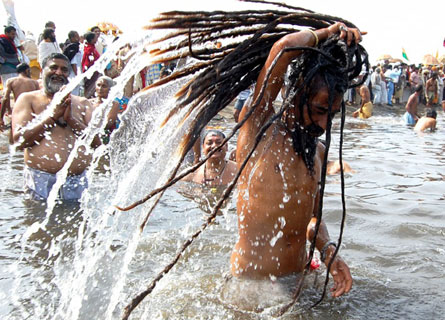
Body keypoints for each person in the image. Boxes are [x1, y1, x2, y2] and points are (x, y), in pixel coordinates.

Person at [232, 22, 364, 298]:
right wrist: (328, 33)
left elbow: (313, 220)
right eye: (318, 109)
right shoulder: (259, 129)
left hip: (298, 282)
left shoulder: (317, 152)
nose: (324, 124)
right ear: (297, 93)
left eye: (332, 114)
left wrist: (329, 253)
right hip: (251, 287)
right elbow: (283, 50)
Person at [11, 53, 94, 201]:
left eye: (64, 70)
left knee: (80, 222)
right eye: (54, 68)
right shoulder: (28, 99)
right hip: (40, 182)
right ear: (42, 71)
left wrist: (70, 119)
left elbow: (96, 142)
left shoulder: (82, 102)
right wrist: (53, 117)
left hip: (77, 183)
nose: (58, 73)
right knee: (37, 221)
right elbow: (19, 141)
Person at [0, 63, 39, 131]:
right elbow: (39, 99)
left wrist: (1, 117)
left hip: (18, 110)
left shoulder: (11, 81)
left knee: (14, 134)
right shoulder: (35, 82)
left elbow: (5, 98)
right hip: (32, 112)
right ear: (27, 71)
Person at [82, 32, 101, 98]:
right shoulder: (89, 49)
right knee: (90, 87)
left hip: (94, 71)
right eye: (95, 38)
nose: (97, 39)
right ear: (92, 39)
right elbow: (88, 61)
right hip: (91, 72)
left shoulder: (91, 47)